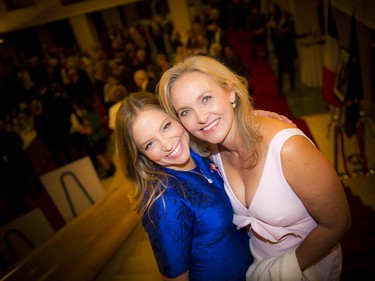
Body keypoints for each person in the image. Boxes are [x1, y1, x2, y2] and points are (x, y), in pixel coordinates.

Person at [157, 54, 352, 281]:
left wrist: (281, 272)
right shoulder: (210, 150)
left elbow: (338, 223)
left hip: (308, 268)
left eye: (206, 98)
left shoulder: (288, 149)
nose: (200, 117)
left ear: (230, 92)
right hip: (257, 267)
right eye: (185, 112)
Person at [115, 91, 253, 281]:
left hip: (252, 267)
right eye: (149, 144)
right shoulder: (164, 202)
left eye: (166, 126)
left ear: (177, 116)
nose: (167, 145)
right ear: (140, 155)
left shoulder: (199, 152)